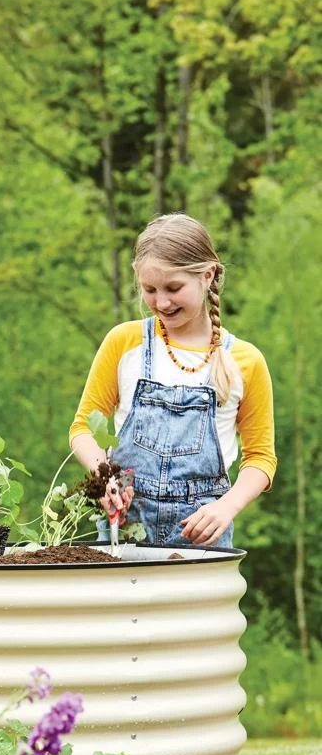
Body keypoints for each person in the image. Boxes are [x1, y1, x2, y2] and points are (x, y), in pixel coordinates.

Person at [69, 213, 276, 548]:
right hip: (125, 528)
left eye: (173, 288)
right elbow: (82, 429)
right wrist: (106, 476)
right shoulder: (124, 343)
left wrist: (226, 507)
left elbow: (261, 459)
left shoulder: (245, 361)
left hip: (202, 536)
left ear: (207, 275)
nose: (161, 302)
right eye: (149, 289)